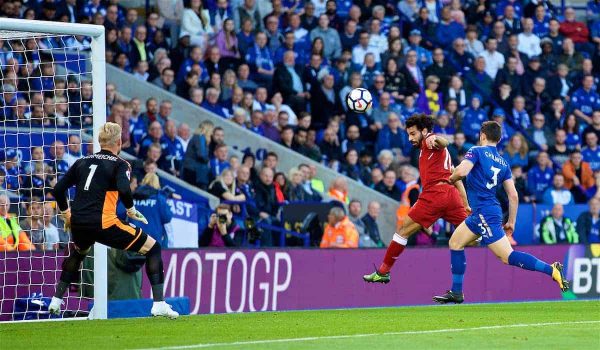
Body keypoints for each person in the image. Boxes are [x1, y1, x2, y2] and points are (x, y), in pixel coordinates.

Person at [48, 122, 178, 319]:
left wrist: (68, 215)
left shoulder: (82, 161)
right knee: (153, 248)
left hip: (79, 223)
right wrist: (131, 210)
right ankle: (159, 303)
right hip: (104, 223)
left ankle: (56, 299)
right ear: (119, 142)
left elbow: (58, 190)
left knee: (79, 252)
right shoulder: (120, 164)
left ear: (100, 142)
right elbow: (125, 189)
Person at [432, 121, 568, 304]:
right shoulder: (503, 162)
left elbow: (462, 171)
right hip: (484, 212)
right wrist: (511, 221)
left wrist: (450, 178)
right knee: (455, 242)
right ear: (499, 138)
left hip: (484, 213)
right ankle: (456, 292)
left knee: (507, 256)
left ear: (482, 135)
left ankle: (552, 270)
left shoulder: (476, 151)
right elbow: (513, 195)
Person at [363, 114, 469, 284]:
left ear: (424, 131)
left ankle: (383, 272)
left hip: (434, 195)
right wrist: (466, 203)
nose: (410, 138)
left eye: (413, 134)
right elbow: (455, 176)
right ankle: (502, 240)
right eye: (408, 134)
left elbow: (443, 142)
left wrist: (435, 139)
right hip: (451, 194)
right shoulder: (439, 156)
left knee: (402, 232)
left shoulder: (430, 141)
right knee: (475, 236)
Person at [130, 173, 173, 247]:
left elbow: (120, 213)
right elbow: (167, 218)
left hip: (135, 237)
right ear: (157, 183)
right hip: (153, 239)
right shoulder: (159, 198)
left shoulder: (133, 197)